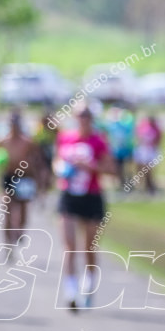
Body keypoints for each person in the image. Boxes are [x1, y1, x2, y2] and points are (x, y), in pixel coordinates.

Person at [53, 106, 115, 311]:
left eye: (87, 117)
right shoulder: (65, 137)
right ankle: (70, 292)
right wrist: (60, 168)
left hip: (92, 196)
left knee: (89, 247)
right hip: (69, 196)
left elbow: (111, 169)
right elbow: (57, 160)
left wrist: (91, 166)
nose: (83, 120)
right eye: (80, 116)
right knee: (69, 246)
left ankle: (88, 286)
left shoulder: (98, 141)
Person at [0, 109, 48, 243]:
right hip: (8, 177)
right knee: (6, 208)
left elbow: (38, 160)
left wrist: (39, 178)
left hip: (24, 178)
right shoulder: (2, 141)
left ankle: (19, 230)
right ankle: (8, 240)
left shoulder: (28, 142)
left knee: (22, 208)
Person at [133, 114, 162, 195]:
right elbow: (139, 137)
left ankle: (149, 186)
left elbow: (158, 139)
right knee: (141, 168)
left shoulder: (155, 129)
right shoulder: (144, 127)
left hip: (150, 150)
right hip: (144, 150)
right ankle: (143, 186)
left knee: (148, 169)